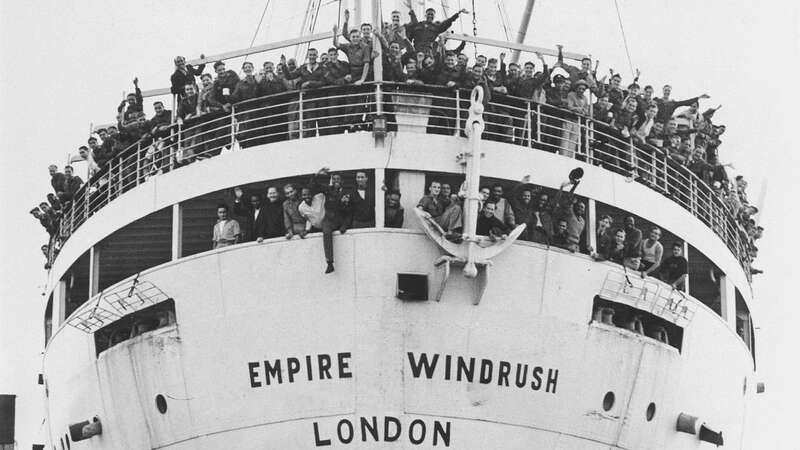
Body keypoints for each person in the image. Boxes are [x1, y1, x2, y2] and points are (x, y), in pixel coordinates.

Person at [310, 168, 351, 274]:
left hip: (341, 220)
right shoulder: (328, 189)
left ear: (342, 181)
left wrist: (345, 225)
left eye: (338, 179)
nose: (336, 181)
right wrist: (316, 175)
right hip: (329, 220)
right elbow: (313, 187)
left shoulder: (348, 191)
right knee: (326, 232)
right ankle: (329, 262)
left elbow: (350, 211)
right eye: (334, 179)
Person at [553, 180, 585, 253]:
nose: (580, 208)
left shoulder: (583, 221)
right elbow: (568, 198)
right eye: (579, 206)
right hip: (566, 245)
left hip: (576, 247)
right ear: (575, 207)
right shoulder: (571, 214)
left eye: (582, 207)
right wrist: (574, 186)